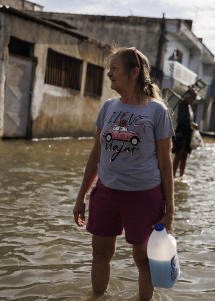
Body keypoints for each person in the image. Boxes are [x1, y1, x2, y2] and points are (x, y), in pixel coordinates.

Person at [72, 47, 175, 301]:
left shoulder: (157, 112)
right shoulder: (108, 108)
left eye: (114, 69)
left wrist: (170, 209)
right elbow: (96, 155)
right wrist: (81, 196)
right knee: (100, 253)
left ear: (134, 73)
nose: (109, 74)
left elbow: (165, 163)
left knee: (142, 259)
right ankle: (98, 297)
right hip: (107, 192)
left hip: (144, 196)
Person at [172, 87, 197, 177]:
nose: (193, 99)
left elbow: (188, 120)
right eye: (193, 97)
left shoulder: (189, 107)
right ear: (188, 96)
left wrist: (192, 124)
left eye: (194, 98)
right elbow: (182, 121)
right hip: (181, 133)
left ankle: (181, 175)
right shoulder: (183, 104)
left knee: (184, 156)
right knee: (178, 155)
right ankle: (173, 175)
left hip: (188, 134)